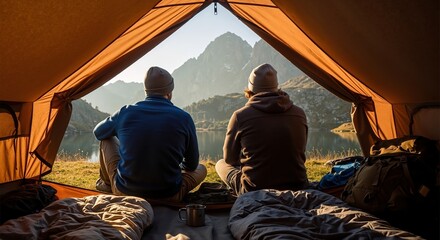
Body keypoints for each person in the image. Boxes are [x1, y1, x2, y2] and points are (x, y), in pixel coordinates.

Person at [93, 66, 207, 202]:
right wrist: (178, 168)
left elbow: (98, 132)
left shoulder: (125, 112)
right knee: (202, 169)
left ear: (146, 91)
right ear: (169, 93)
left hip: (125, 192)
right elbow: (192, 165)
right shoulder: (184, 118)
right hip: (169, 195)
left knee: (106, 139)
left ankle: (107, 185)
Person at [215, 63, 309, 196]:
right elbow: (299, 152)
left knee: (220, 164)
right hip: (298, 185)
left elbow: (230, 159)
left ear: (250, 89)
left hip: (254, 190)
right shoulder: (299, 113)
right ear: (276, 87)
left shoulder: (240, 116)